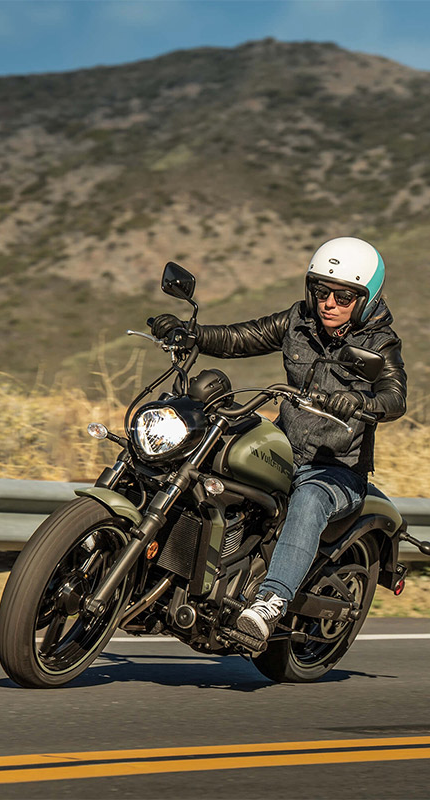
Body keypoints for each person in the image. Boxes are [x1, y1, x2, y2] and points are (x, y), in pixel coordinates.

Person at [149, 236, 407, 642]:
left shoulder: (379, 343)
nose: (329, 303)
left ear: (366, 299)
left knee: (309, 499)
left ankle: (270, 602)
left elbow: (395, 395)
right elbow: (241, 337)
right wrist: (191, 333)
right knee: (212, 448)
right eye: (321, 291)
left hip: (336, 469)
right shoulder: (298, 321)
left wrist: (358, 400)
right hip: (286, 448)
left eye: (344, 296)